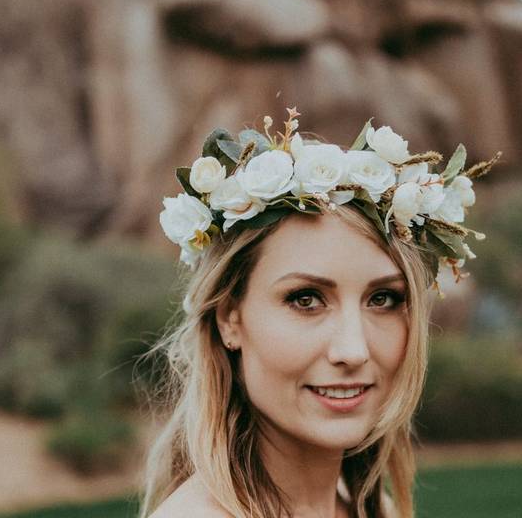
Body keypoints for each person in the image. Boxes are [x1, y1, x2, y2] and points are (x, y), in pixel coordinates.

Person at [141, 109, 495, 518]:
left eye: (382, 299)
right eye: (306, 299)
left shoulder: (375, 510)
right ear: (228, 319)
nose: (353, 350)